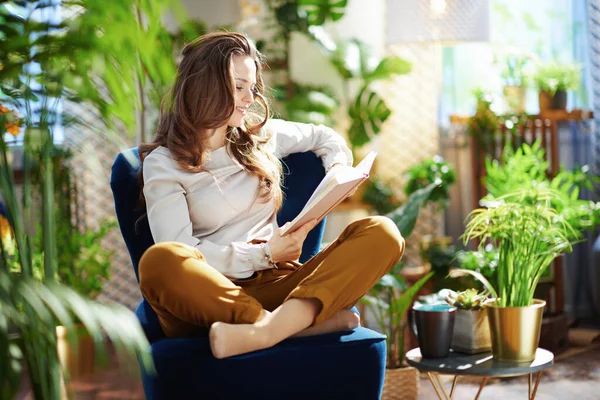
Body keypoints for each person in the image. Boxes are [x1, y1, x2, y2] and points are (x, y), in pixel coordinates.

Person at [138, 31, 405, 359]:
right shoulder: (163, 164)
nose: (249, 98)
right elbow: (181, 249)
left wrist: (337, 170)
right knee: (159, 261)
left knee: (382, 233)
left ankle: (267, 331)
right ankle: (293, 326)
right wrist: (264, 254)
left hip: (278, 285)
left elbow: (326, 137)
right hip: (207, 297)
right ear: (203, 87)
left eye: (251, 87)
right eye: (238, 87)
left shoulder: (258, 135)